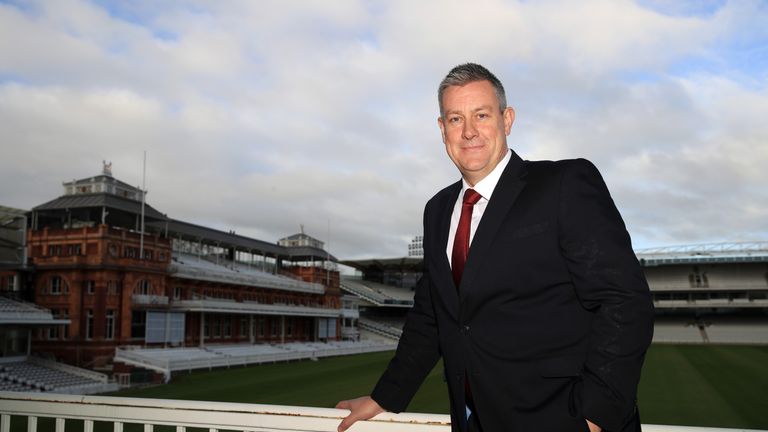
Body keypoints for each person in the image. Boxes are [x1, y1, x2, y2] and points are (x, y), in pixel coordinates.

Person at [336, 63, 654, 432]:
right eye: (456, 119)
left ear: (507, 119)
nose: (469, 131)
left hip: (560, 419)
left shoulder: (564, 184)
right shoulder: (437, 211)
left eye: (481, 115)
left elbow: (625, 301)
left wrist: (595, 418)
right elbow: (433, 315)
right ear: (442, 129)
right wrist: (384, 397)